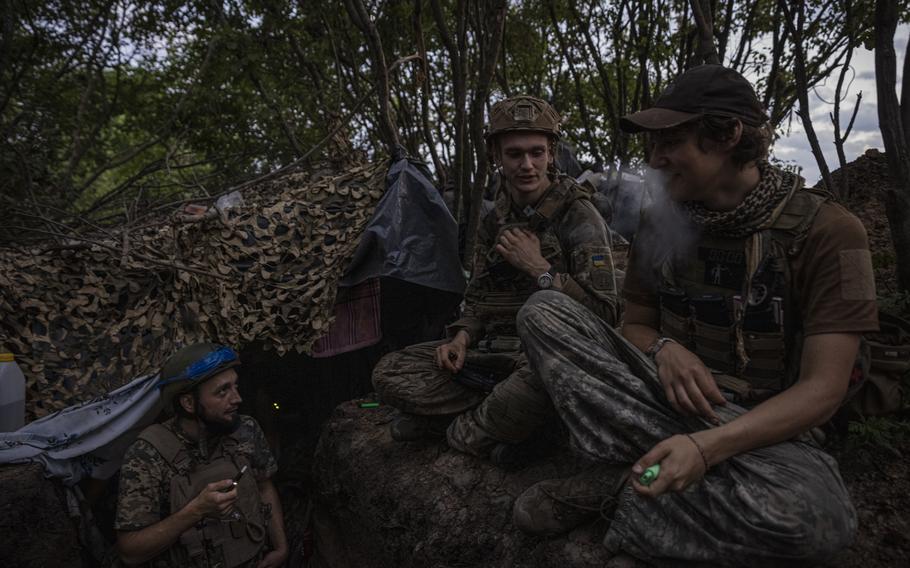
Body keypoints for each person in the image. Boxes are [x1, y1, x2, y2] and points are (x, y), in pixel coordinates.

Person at [512, 64, 878, 566]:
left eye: (670, 143)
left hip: (759, 427)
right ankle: (665, 479)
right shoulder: (659, 219)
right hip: (657, 398)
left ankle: (622, 490)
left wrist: (708, 448)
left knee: (819, 520)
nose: (655, 161)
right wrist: (664, 348)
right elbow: (635, 321)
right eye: (652, 146)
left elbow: (824, 390)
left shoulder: (830, 232)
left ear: (726, 135)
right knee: (544, 312)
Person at [372, 95, 620, 462]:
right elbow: (478, 298)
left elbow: (606, 315)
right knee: (389, 373)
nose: (527, 165)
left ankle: (465, 428)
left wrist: (540, 269)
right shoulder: (494, 219)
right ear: (495, 156)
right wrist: (461, 337)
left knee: (524, 395)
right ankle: (509, 422)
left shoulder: (579, 215)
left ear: (552, 153)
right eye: (514, 154)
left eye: (537, 152)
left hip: (546, 361)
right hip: (492, 356)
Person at [115, 343, 288, 568]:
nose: (237, 399)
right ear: (188, 403)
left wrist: (281, 548)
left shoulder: (246, 429)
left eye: (235, 386)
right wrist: (196, 511)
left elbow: (264, 486)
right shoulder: (148, 454)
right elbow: (130, 550)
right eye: (222, 391)